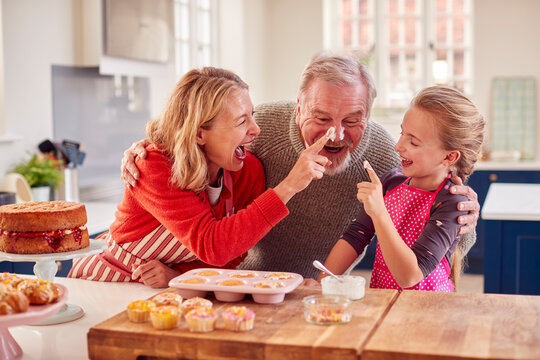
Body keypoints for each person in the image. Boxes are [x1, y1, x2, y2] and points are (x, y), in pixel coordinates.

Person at [121, 53, 480, 279]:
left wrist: (466, 218)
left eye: (353, 119)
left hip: (320, 291)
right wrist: (153, 146)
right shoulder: (259, 129)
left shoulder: (386, 157)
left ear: (369, 116)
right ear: (298, 108)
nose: (336, 133)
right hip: (244, 282)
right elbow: (199, 134)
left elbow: (436, 241)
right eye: (321, 117)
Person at [68, 67, 335, 288]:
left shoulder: (247, 169)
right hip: (106, 282)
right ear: (198, 134)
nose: (256, 129)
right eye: (242, 121)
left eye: (251, 116)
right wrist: (289, 186)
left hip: (170, 290)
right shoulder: (154, 165)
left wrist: (179, 275)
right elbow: (213, 245)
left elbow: (232, 253)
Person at [319, 86, 485, 291]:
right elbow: (356, 236)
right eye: (402, 133)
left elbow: (410, 276)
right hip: (384, 300)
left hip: (426, 311)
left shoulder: (452, 202)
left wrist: (379, 212)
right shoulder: (391, 182)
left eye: (413, 142)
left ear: (449, 157)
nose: (398, 146)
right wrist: (322, 284)